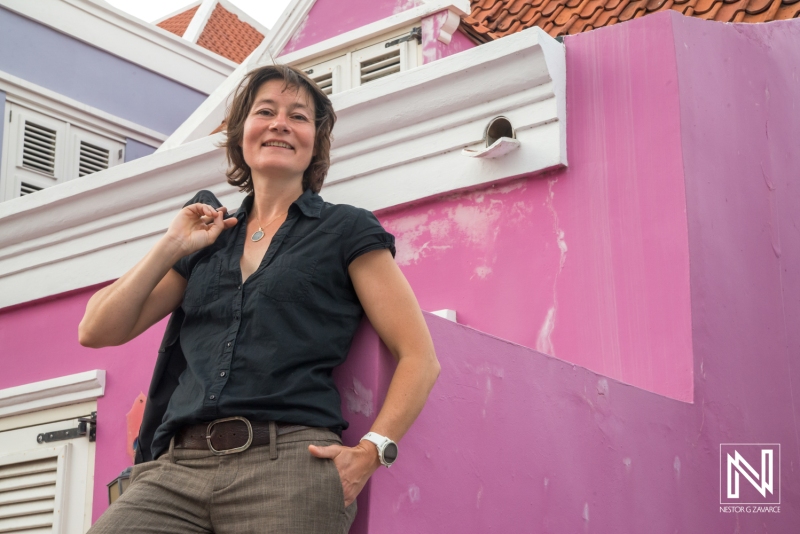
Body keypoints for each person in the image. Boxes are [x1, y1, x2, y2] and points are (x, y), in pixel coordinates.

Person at [79, 64, 440, 534]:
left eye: (299, 116)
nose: (280, 124)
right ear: (241, 134)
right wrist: (172, 245)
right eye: (265, 111)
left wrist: (372, 451)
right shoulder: (207, 239)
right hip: (177, 469)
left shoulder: (346, 230)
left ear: (315, 141)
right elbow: (96, 330)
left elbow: (419, 357)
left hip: (288, 466)